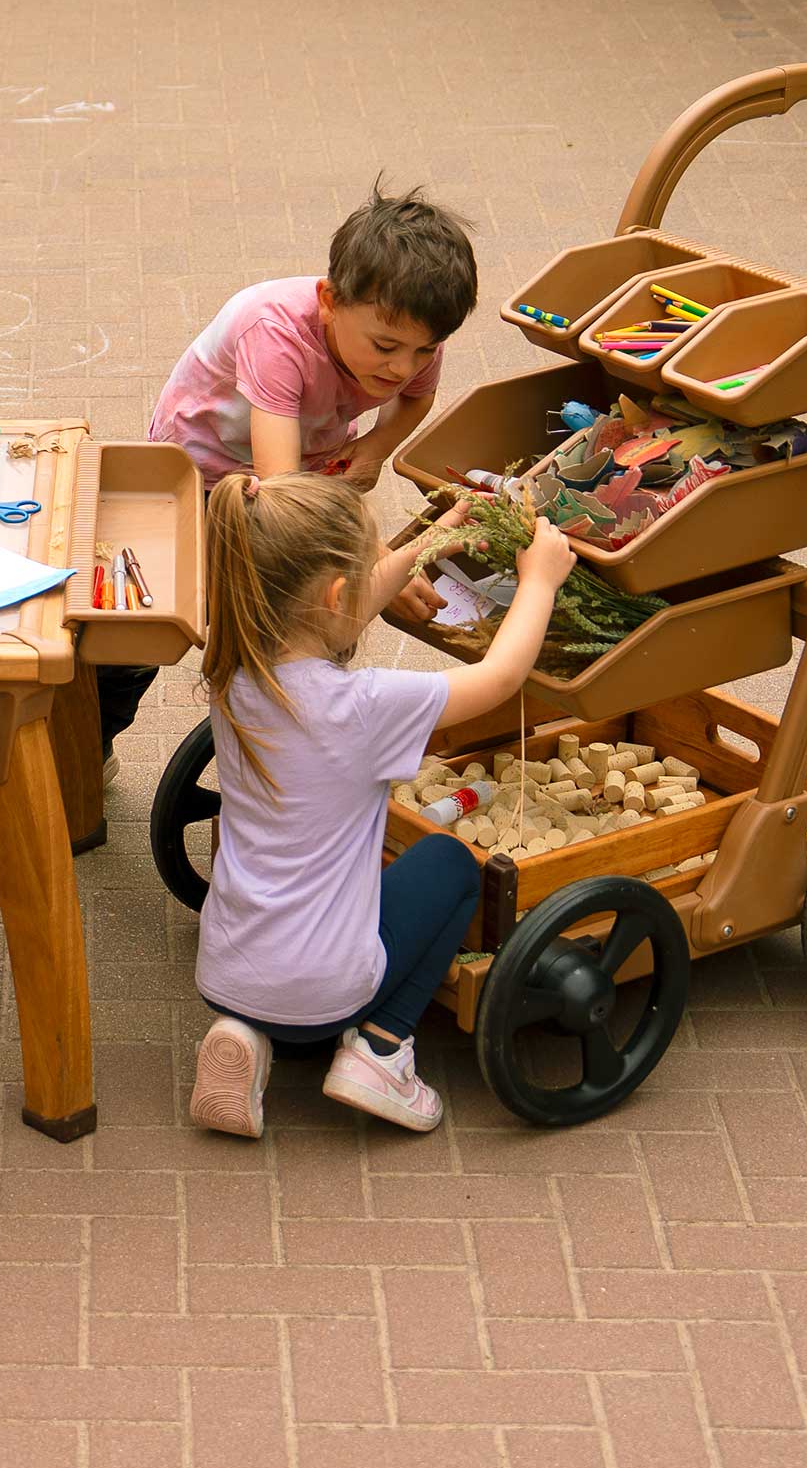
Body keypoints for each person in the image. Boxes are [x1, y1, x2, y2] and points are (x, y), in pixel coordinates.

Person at [186, 471, 575, 1139]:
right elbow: (500, 677)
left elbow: (335, 611)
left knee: (277, 963)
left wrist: (437, 534)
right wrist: (538, 579)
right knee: (451, 863)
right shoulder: (364, 705)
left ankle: (245, 1033)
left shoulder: (235, 668)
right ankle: (381, 1050)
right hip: (328, 987)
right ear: (337, 594)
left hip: (226, 968)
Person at [100, 182, 480, 762]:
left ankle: (294, 718)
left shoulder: (412, 329)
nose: (404, 367)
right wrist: (377, 561)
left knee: (309, 612)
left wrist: (377, 446)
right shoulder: (273, 330)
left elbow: (414, 400)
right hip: (202, 473)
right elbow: (282, 497)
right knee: (148, 629)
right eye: (386, 347)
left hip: (302, 470)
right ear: (329, 301)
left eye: (424, 352)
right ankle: (93, 742)